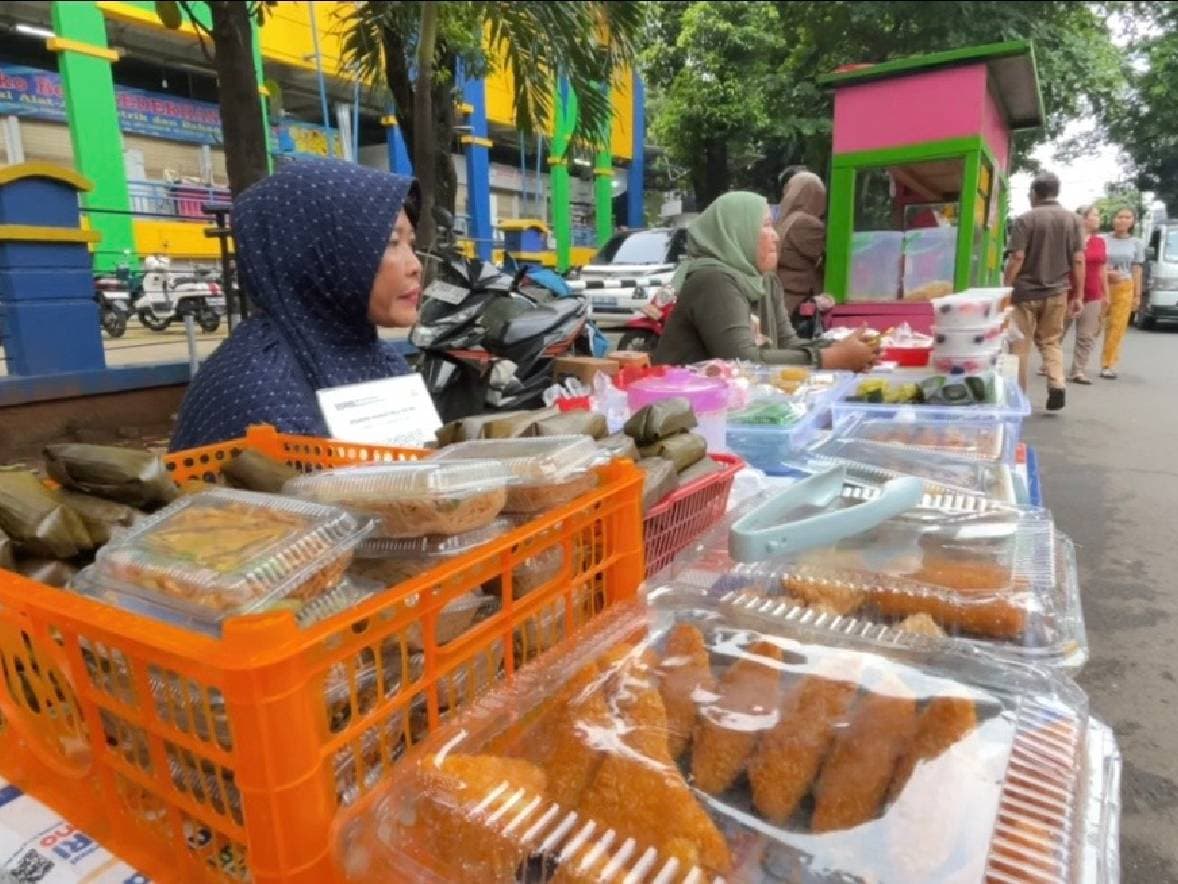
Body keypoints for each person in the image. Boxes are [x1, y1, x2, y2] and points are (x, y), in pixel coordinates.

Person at [170, 159, 422, 449]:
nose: (414, 265)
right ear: (315, 252)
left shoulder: (385, 362)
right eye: (391, 242)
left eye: (411, 244)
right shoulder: (257, 386)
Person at [652, 191, 877, 370]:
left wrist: (845, 348)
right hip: (685, 410)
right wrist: (829, 358)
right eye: (766, 225)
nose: (776, 236)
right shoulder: (712, 280)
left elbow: (788, 342)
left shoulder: (765, 281)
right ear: (738, 232)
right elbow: (742, 359)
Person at [1004, 172, 1084, 412]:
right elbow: (1078, 260)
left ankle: (1019, 397)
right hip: (1057, 292)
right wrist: (1078, 296)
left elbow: (1018, 257)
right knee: (1051, 341)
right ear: (1056, 192)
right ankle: (1057, 383)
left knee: (1019, 345)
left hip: (1025, 293)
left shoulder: (1026, 219)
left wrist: (1006, 288)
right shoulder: (1073, 221)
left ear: (1034, 193)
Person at [774, 171, 828, 332]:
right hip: (796, 302)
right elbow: (830, 258)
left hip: (782, 298)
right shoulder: (807, 223)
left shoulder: (786, 220)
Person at [1063, 205, 1109, 384]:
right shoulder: (1069, 240)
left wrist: (1106, 293)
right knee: (1058, 331)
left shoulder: (1100, 242)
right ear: (1083, 218)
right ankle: (1050, 364)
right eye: (1095, 215)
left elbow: (1103, 268)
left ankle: (1078, 370)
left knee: (1086, 335)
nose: (1098, 218)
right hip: (1068, 291)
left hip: (1092, 292)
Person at [1099, 207, 1145, 379]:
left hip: (1124, 287)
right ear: (1113, 219)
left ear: (1132, 222)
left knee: (1117, 328)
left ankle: (1108, 364)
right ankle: (1079, 365)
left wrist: (1137, 295)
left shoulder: (1136, 243)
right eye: (1120, 216)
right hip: (1101, 286)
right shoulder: (1102, 239)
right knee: (1092, 325)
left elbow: (1137, 269)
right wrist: (1106, 274)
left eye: (1127, 217)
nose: (1123, 220)